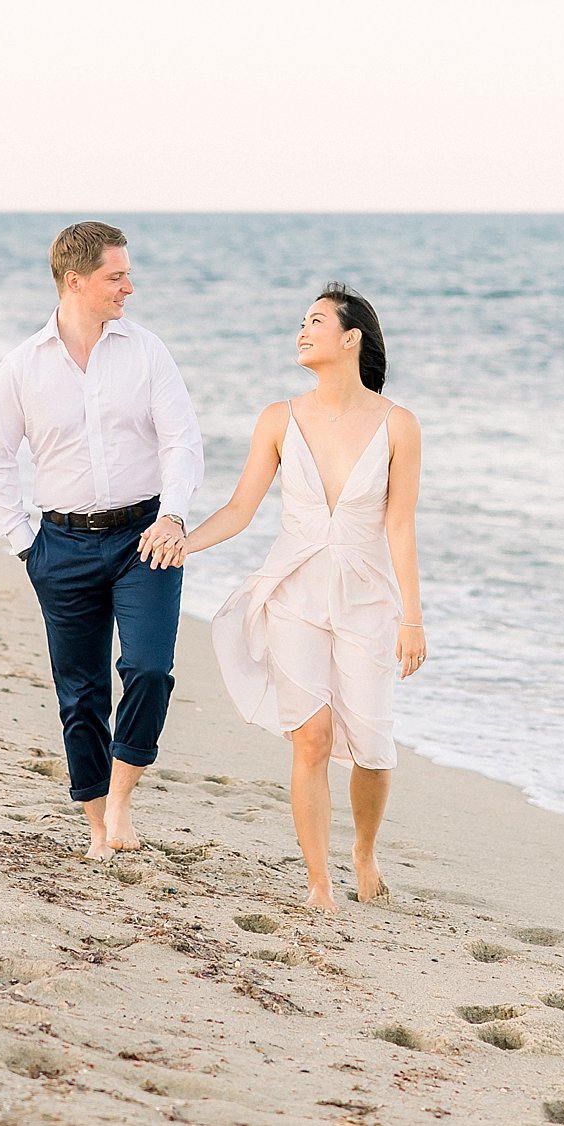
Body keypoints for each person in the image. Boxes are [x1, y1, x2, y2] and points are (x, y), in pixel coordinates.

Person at [140, 282, 424, 912]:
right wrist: (183, 538)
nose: (302, 330)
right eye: (301, 320)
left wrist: (413, 617)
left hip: (367, 601)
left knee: (372, 748)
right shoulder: (277, 418)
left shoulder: (398, 425)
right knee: (312, 737)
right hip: (293, 592)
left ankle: (365, 854)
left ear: (350, 338)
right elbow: (241, 508)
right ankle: (319, 882)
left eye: (316, 321)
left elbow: (400, 525)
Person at [0, 222, 203, 861]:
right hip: (62, 546)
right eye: (116, 277)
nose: (129, 287)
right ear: (75, 282)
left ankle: (124, 798)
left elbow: (181, 440)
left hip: (147, 537)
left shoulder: (147, 351)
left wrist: (175, 516)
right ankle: (97, 822)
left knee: (150, 670)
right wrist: (26, 545)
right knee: (80, 695)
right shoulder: (22, 366)